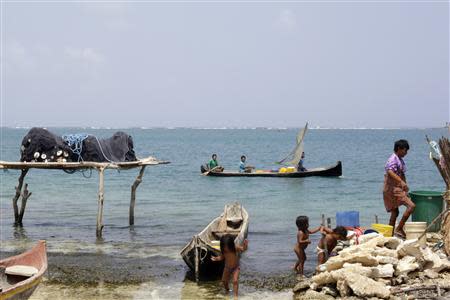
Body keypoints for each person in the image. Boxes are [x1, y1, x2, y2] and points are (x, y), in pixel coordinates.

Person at [383, 139, 415, 239]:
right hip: (392, 189)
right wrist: (401, 182)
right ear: (399, 149)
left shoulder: (399, 159)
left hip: (393, 188)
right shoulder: (393, 159)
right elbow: (390, 171)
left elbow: (401, 173)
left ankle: (389, 235)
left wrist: (405, 186)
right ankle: (399, 228)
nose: (406, 153)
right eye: (405, 150)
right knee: (411, 206)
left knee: (395, 212)